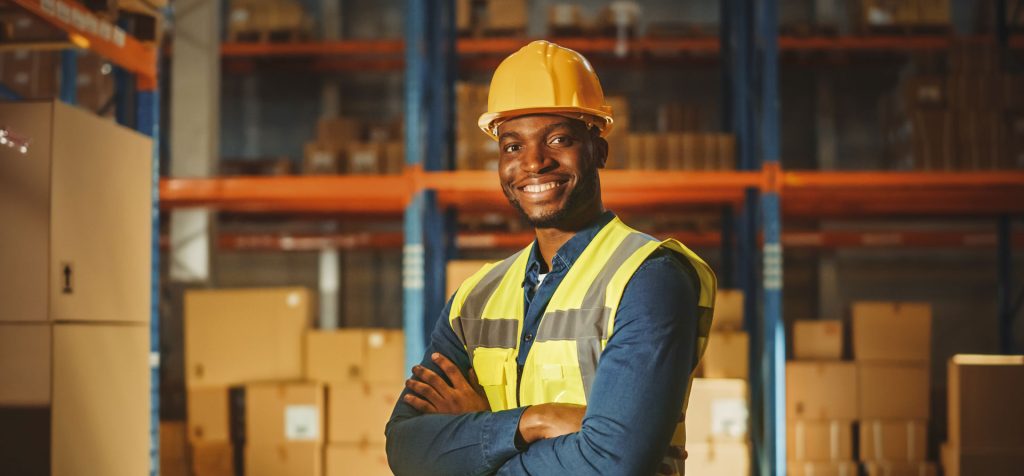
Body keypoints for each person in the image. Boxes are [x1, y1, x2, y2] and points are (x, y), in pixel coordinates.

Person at [385, 40, 717, 476]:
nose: (534, 163)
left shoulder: (649, 277)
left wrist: (476, 441)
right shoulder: (475, 298)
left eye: (558, 139)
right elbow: (407, 451)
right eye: (512, 147)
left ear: (598, 150)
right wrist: (531, 421)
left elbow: (612, 464)